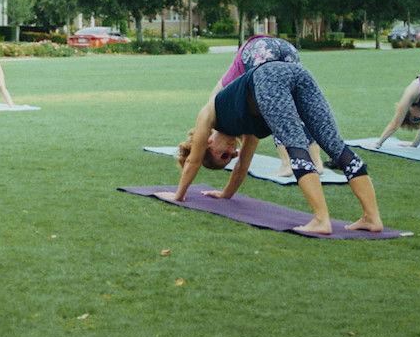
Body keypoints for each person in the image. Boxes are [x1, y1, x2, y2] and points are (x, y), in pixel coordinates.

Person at [160, 59, 384, 235]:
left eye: (223, 155)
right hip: (296, 73)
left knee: (296, 145)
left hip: (269, 77)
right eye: (230, 157)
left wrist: (179, 195)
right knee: (336, 147)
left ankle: (321, 220)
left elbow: (194, 160)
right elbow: (242, 167)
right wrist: (225, 194)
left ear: (208, 143)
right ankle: (372, 218)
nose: (232, 152)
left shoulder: (208, 114)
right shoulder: (247, 128)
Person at [212, 35, 322, 173]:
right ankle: (317, 162)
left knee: (273, 110)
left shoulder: (219, 105)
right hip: (285, 47)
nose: (233, 151)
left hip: (261, 49)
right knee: (294, 106)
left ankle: (287, 163)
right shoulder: (227, 103)